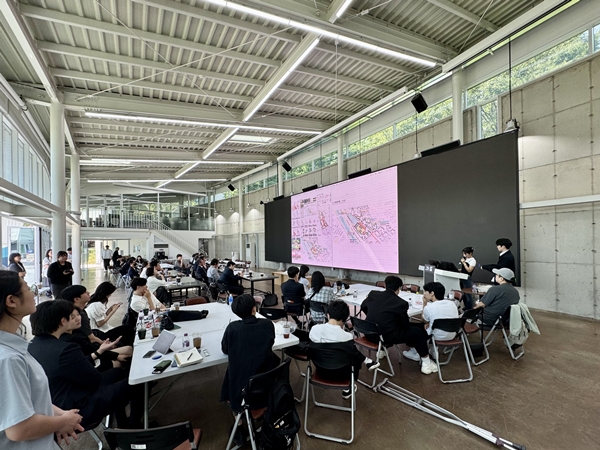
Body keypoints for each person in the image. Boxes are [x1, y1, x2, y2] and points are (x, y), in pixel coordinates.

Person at [0, 271, 84, 449]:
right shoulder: (9, 359)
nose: (33, 292)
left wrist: (60, 415)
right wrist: (63, 422)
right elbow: (19, 428)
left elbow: (29, 398)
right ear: (11, 301)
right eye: (28, 288)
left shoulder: (14, 348)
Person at [28, 300, 144, 429]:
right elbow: (95, 380)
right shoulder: (65, 348)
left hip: (54, 405)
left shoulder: (31, 347)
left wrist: (99, 353)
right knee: (139, 383)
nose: (76, 318)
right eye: (71, 316)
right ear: (63, 321)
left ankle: (122, 423)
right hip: (78, 408)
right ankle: (133, 427)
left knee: (117, 373)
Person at [361, 275, 438, 375]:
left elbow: (363, 306)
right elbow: (405, 326)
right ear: (399, 289)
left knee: (416, 327)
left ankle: (383, 351)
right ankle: (426, 363)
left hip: (368, 332)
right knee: (418, 332)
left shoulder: (373, 294)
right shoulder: (400, 303)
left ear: (385, 285)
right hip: (386, 337)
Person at [220, 294, 278, 414]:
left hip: (242, 387)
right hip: (266, 382)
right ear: (254, 309)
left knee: (232, 369)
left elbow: (225, 350)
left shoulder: (232, 328)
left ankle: (238, 418)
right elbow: (270, 342)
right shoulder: (267, 324)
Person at [309, 300, 379, 398]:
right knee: (352, 355)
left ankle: (367, 361)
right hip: (342, 375)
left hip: (321, 371)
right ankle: (350, 386)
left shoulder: (314, 329)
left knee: (349, 352)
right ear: (344, 320)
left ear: (328, 315)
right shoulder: (347, 336)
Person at [61, 285, 134, 348]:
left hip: (97, 333)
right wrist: (106, 345)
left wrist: (110, 310)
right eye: (85, 292)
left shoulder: (82, 309)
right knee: (127, 330)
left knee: (126, 328)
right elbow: (93, 335)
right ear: (76, 299)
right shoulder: (81, 314)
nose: (89, 293)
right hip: (98, 335)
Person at [408, 282, 459, 360]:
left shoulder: (429, 308)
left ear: (432, 293)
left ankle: (415, 352)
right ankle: (434, 350)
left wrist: (424, 304)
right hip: (452, 334)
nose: (424, 293)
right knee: (432, 324)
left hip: (436, 336)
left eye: (425, 291)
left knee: (415, 328)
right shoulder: (452, 304)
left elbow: (423, 320)